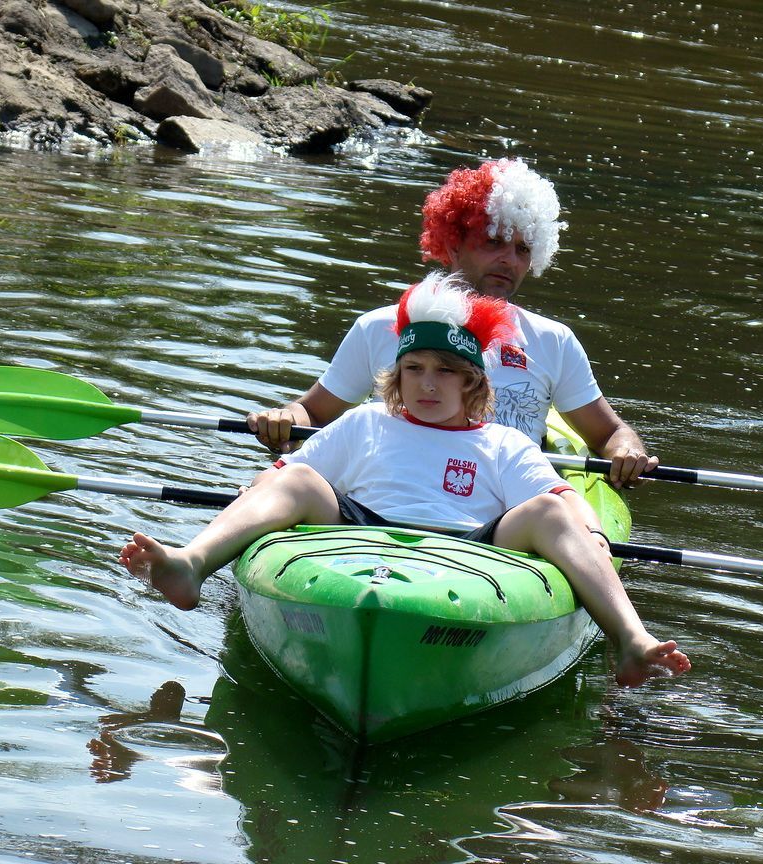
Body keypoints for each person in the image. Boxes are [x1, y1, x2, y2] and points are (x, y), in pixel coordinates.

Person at [121, 274, 690, 688]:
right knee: (295, 479)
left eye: (446, 372)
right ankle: (191, 563)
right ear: (396, 377)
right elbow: (278, 476)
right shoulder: (365, 421)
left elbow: (564, 505)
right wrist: (269, 489)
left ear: (473, 385)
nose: (427, 384)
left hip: (472, 550)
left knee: (551, 510)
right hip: (354, 536)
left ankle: (631, 639)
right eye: (414, 370)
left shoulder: (504, 444)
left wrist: (586, 533)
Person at [247, 157, 658, 488]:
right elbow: (313, 413)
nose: (509, 261)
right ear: (454, 242)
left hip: (503, 503)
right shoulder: (378, 327)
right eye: (493, 242)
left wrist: (626, 450)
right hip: (389, 489)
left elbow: (607, 435)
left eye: (522, 249)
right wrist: (284, 419)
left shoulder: (554, 341)